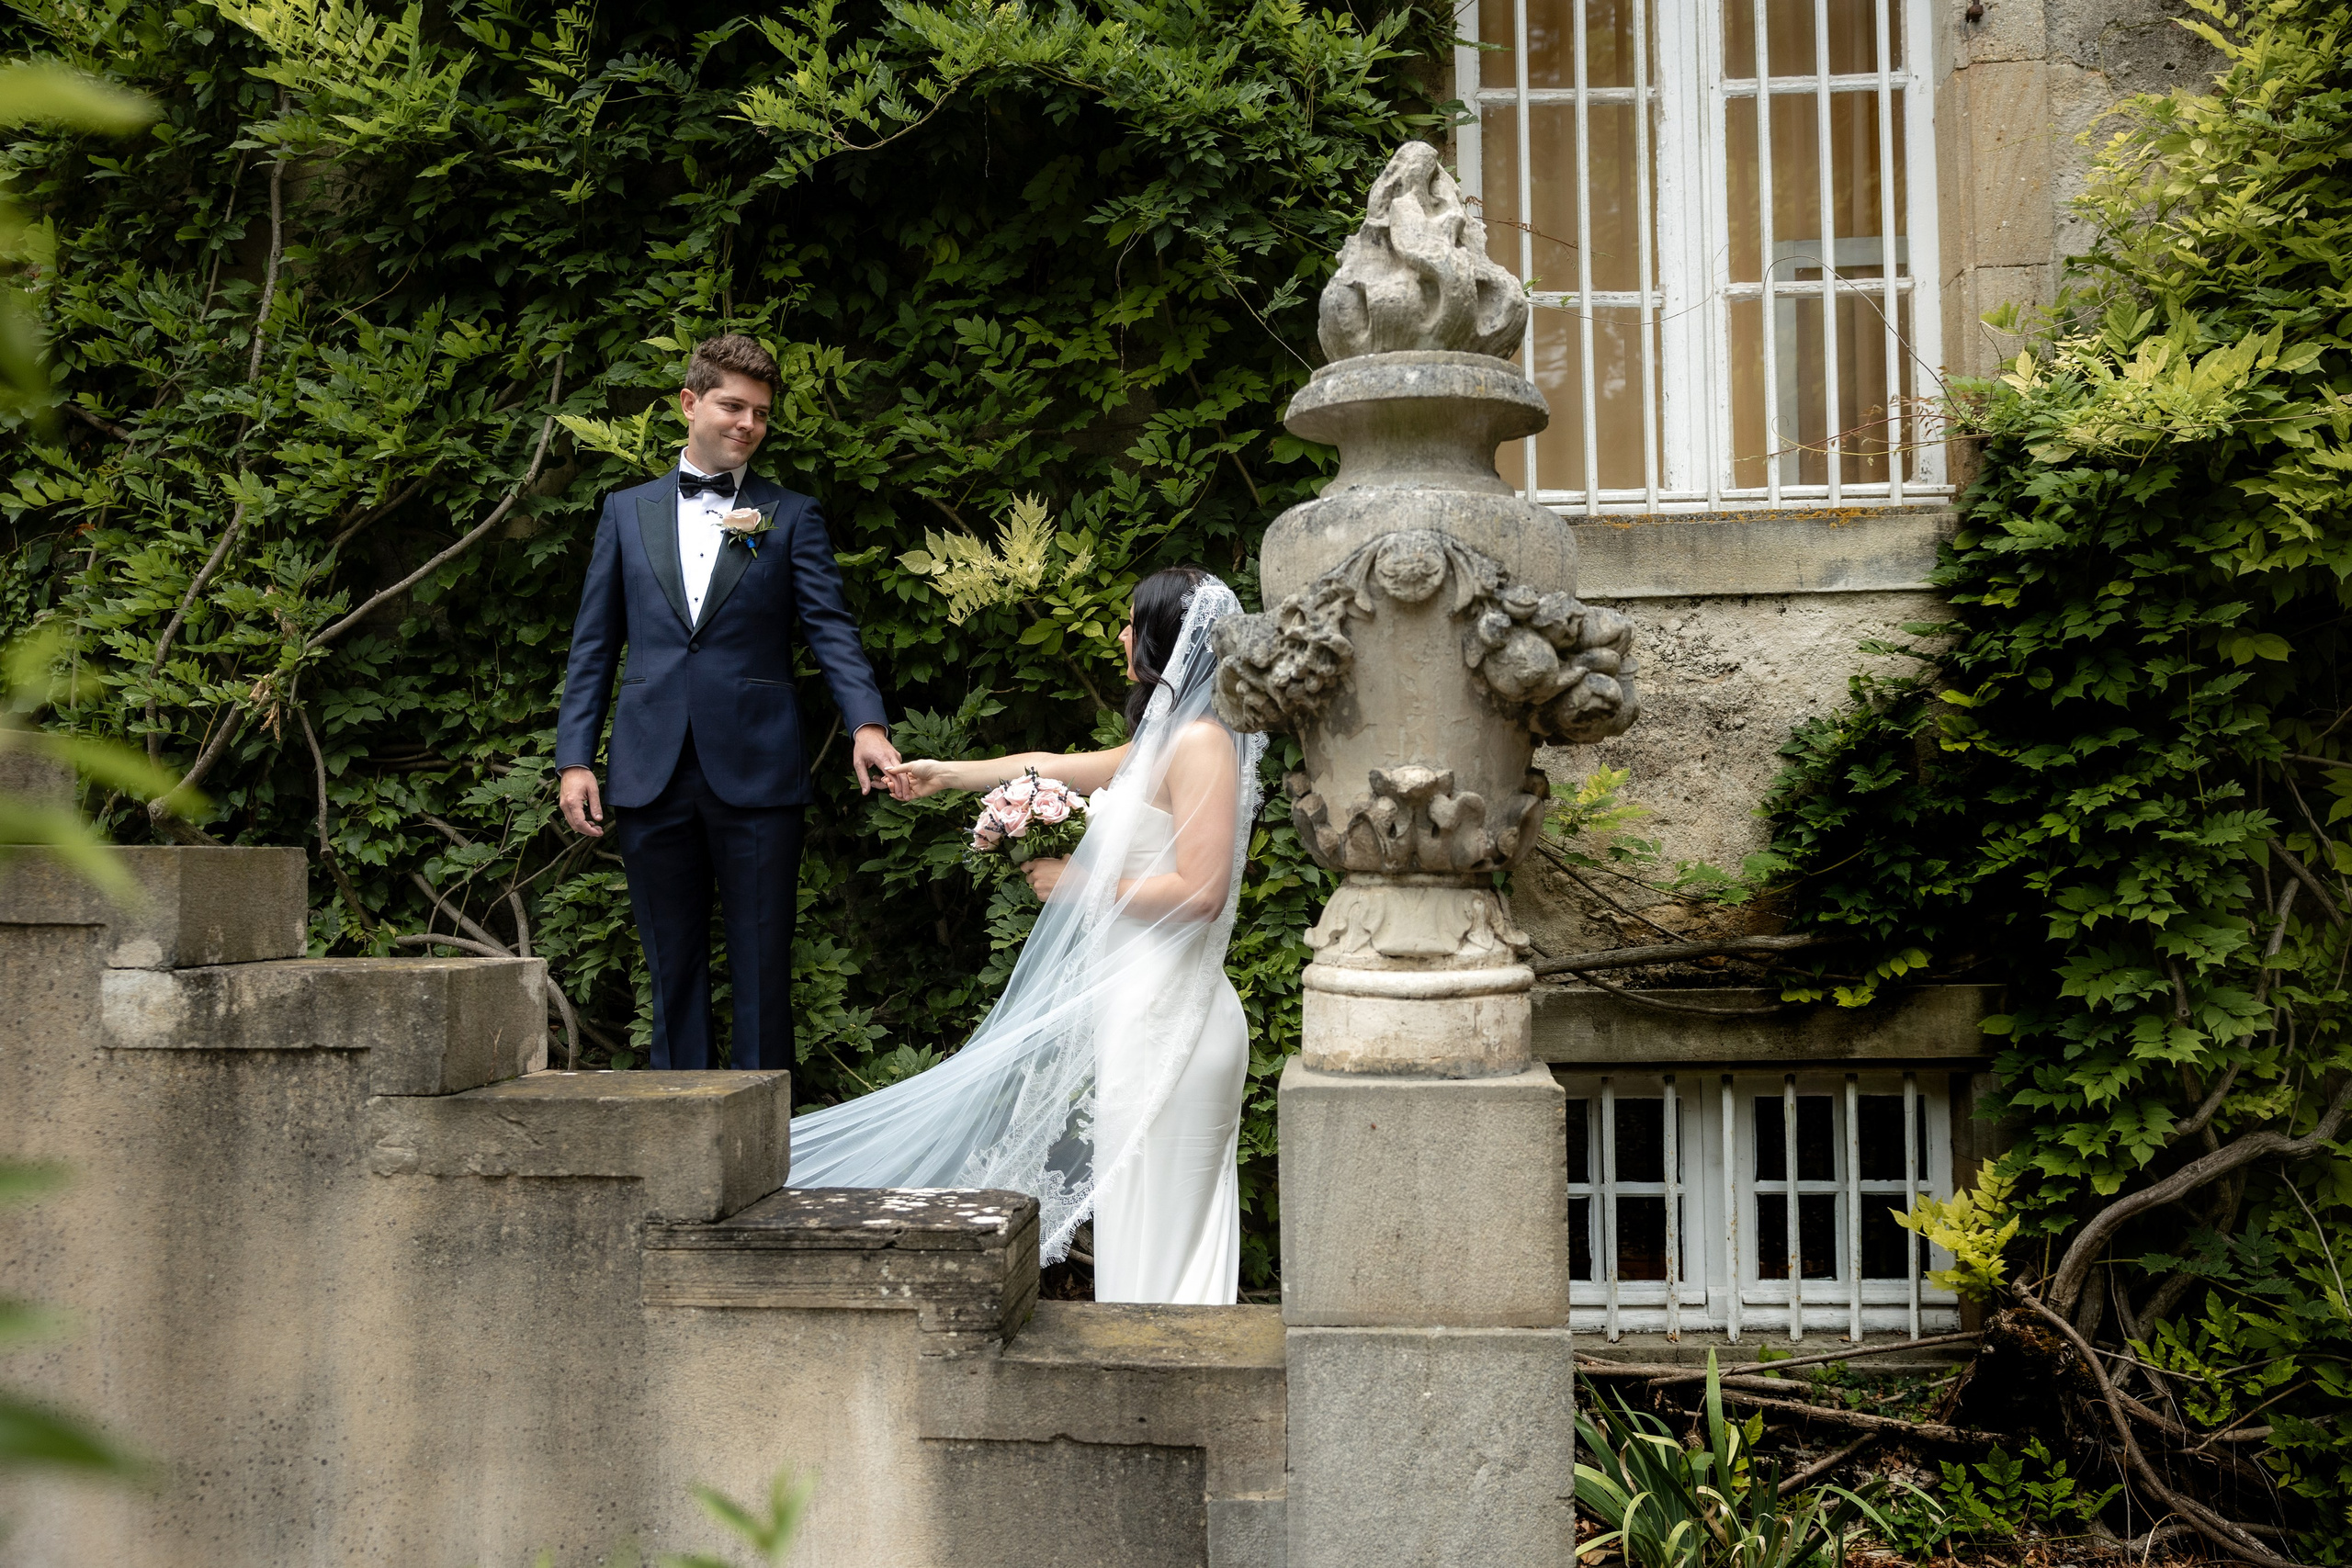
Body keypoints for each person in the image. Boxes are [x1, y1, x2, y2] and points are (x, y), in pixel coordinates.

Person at [794, 566, 1262, 1305]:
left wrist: (1077, 883)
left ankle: (1173, 1374)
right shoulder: (1162, 739)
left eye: (1132, 623)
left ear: (1167, 639)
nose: (1120, 635)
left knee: (1164, 1217)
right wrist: (948, 775)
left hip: (1177, 1018)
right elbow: (1050, 764)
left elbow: (1202, 893)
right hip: (1139, 1008)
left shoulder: (1202, 742)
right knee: (1140, 1214)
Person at [554, 333, 901, 1071]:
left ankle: (766, 1157)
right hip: (650, 770)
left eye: (762, 413)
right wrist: (574, 758)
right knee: (670, 972)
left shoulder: (791, 515)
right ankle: (681, 1146)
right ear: (690, 403)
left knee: (761, 971)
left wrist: (867, 723)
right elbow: (593, 645)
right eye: (732, 405)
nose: (748, 424)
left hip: (757, 769)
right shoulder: (625, 512)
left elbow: (830, 628)